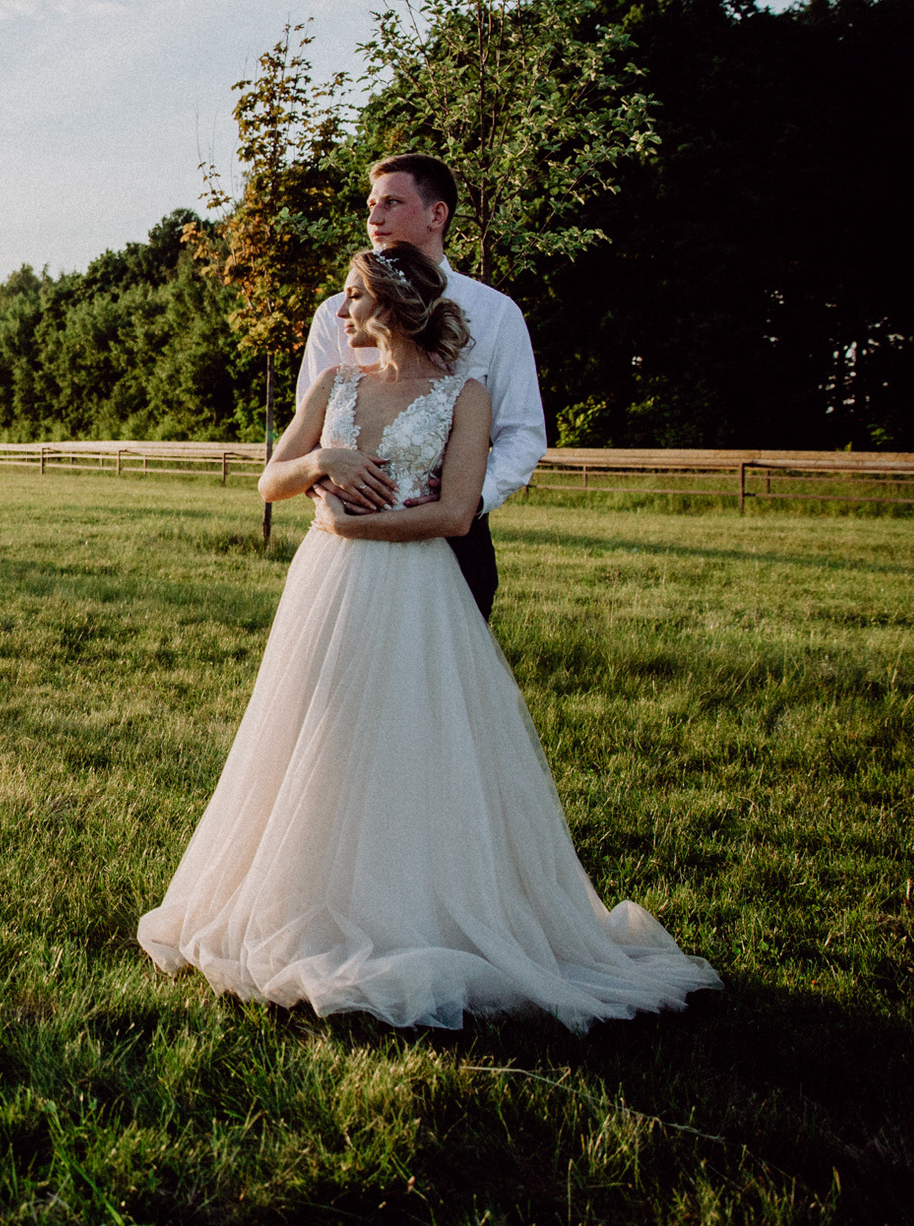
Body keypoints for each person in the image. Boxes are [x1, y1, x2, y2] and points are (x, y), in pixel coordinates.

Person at [136, 242, 718, 1029]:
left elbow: (454, 514)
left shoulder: (463, 395)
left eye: (351, 297)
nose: (340, 312)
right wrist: (325, 462)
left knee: (412, 742)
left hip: (416, 587)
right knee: (320, 738)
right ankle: (311, 896)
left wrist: (353, 525)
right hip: (326, 589)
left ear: (391, 307)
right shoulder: (337, 384)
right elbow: (269, 480)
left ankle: (412, 910)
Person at [298, 154, 541, 620]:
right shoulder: (337, 312)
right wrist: (327, 494)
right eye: (371, 204)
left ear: (437, 214)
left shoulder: (494, 313)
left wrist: (470, 500)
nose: (374, 218)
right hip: (346, 541)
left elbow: (523, 431)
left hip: (455, 540)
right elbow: (309, 423)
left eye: (391, 202)